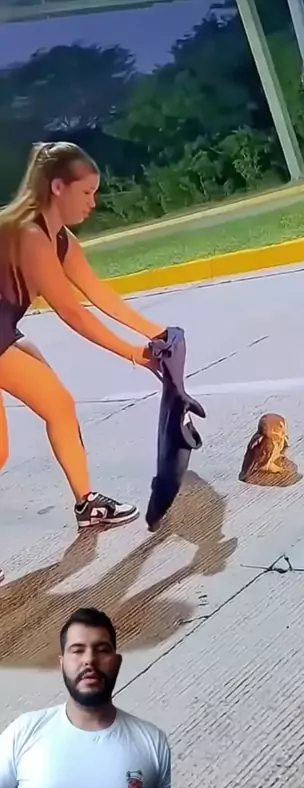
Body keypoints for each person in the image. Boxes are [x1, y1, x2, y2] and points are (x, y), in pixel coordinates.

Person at [0, 141, 167, 528]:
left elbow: (98, 293)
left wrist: (158, 332)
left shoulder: (61, 240)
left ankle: (86, 503)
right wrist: (134, 353)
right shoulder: (29, 235)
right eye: (86, 192)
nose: (93, 202)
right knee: (55, 405)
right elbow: (72, 311)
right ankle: (87, 503)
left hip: (5, 331)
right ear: (58, 187)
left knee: (13, 441)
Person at [0, 607, 171, 788]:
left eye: (101, 649)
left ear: (117, 662)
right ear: (62, 664)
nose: (89, 660)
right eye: (77, 650)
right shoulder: (26, 731)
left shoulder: (152, 742)